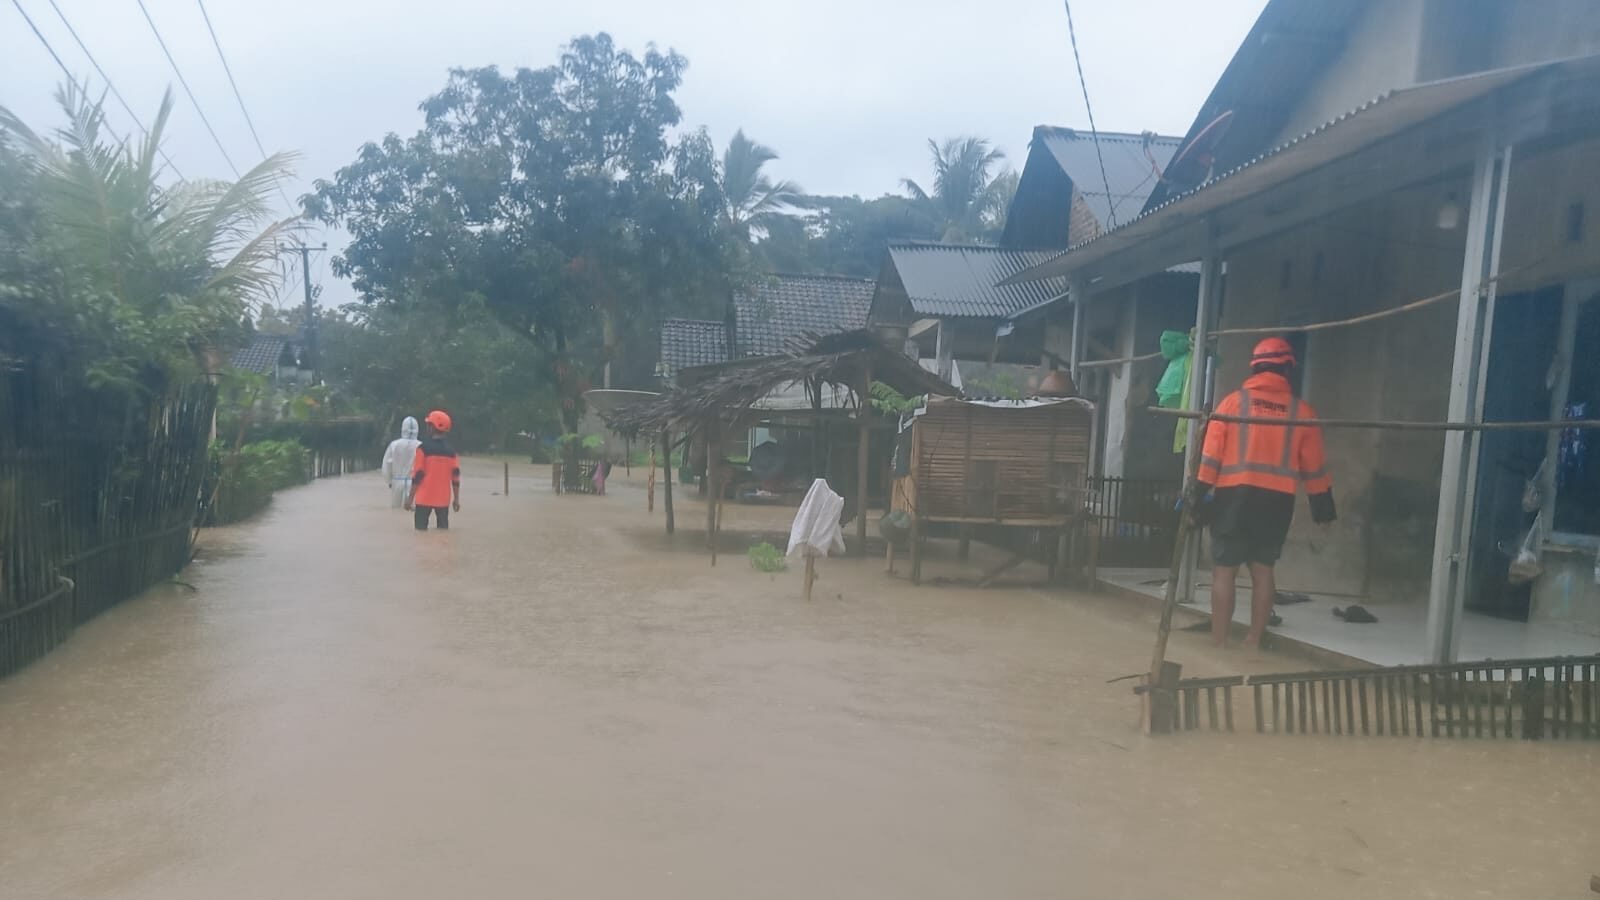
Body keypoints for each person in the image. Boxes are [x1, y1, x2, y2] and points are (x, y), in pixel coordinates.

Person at [1191, 337, 1336, 649]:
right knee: (1263, 570)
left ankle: (1219, 641)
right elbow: (1315, 468)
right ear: (1287, 368)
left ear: (1255, 367)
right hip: (1276, 501)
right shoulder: (1303, 412)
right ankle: (1253, 641)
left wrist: (1198, 494)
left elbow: (1210, 457)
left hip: (1233, 498)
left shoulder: (1231, 404)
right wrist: (1323, 510)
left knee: (1224, 571)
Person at [405, 409, 461, 530]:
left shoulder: (422, 449)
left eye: (429, 425)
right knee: (443, 535)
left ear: (432, 427)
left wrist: (410, 499)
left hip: (423, 499)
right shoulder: (452, 452)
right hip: (443, 500)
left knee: (420, 535)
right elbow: (455, 477)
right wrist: (456, 500)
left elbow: (418, 475)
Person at [380, 416, 421, 509]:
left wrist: (389, 481)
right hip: (415, 485)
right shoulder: (421, 446)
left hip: (397, 483)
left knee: (396, 511)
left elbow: (386, 465)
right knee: (413, 513)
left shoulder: (394, 445)